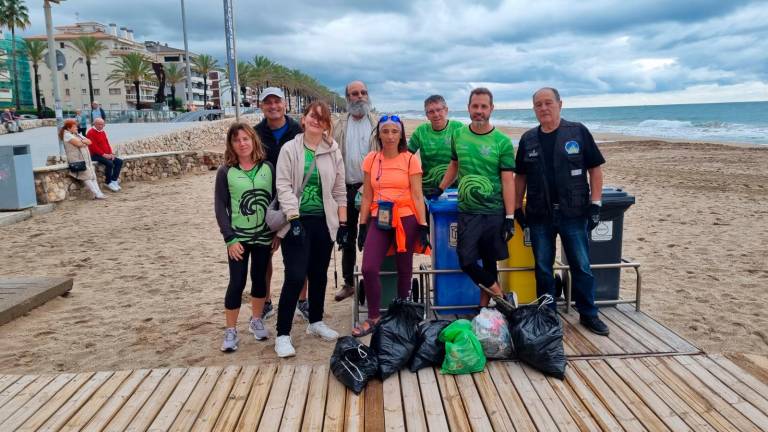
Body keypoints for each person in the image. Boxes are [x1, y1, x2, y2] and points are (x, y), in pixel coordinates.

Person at [514, 87, 609, 336]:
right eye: (538, 105)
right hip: (539, 215)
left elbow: (595, 169)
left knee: (581, 265)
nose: (543, 108)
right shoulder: (528, 139)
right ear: (534, 109)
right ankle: (547, 315)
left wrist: (596, 204)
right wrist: (515, 208)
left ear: (560, 104)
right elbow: (520, 175)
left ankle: (588, 314)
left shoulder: (577, 132)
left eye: (548, 103)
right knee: (543, 267)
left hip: (574, 214)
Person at [274, 101, 347, 358]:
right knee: (295, 276)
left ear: (327, 125)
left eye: (322, 118)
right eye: (312, 116)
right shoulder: (290, 149)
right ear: (303, 119)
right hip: (297, 221)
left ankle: (316, 321)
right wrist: (293, 219)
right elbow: (283, 186)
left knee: (319, 274)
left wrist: (344, 224)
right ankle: (282, 334)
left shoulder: (333, 151)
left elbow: (339, 191)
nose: (316, 121)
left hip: (323, 221)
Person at [437, 88, 516, 308]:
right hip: (468, 211)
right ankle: (501, 297)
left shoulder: (502, 142)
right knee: (467, 260)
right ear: (469, 107)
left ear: (491, 108)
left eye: (483, 106)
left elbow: (508, 180)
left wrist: (510, 216)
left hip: (494, 212)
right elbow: (454, 165)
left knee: (490, 262)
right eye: (475, 106)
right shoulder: (458, 135)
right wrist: (440, 187)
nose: (479, 111)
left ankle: (484, 309)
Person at [352, 114, 430, 337]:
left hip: (407, 219)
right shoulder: (371, 159)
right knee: (369, 267)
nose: (390, 136)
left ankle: (401, 316)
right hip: (380, 218)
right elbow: (367, 196)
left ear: (401, 134)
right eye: (385, 131)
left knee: (404, 269)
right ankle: (374, 317)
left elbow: (417, 195)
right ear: (379, 134)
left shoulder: (410, 160)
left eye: (394, 131)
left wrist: (423, 226)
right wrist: (363, 224)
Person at [215, 122, 277, 352]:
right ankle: (231, 330)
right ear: (231, 144)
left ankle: (256, 319)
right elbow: (220, 207)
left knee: (259, 279)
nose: (242, 143)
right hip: (238, 238)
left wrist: (277, 233)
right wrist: (229, 238)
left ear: (254, 141)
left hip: (263, 236)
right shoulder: (226, 171)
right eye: (237, 140)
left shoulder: (267, 167)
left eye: (246, 139)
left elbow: (275, 201)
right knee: (237, 281)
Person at [253, 87, 306, 321]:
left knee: (297, 255)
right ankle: (266, 302)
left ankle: (303, 300)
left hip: (295, 199)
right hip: (264, 201)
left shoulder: (298, 131)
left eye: (277, 102)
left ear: (285, 104)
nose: (273, 106)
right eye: (268, 103)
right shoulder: (255, 133)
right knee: (264, 257)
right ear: (261, 106)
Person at [331, 80, 378, 302]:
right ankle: (349, 283)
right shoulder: (339, 124)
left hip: (373, 191)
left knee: (372, 237)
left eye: (363, 92)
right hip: (346, 190)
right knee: (347, 238)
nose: (359, 96)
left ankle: (371, 282)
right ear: (347, 98)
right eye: (354, 93)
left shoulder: (377, 123)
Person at [408, 95, 464, 200]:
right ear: (427, 115)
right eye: (431, 112)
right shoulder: (421, 131)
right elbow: (406, 156)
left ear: (446, 110)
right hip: (427, 188)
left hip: (455, 188)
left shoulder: (458, 128)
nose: (436, 114)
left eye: (439, 110)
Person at [60, 118, 105, 199]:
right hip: (78, 160)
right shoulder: (67, 135)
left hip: (86, 160)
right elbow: (79, 144)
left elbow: (89, 142)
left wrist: (83, 142)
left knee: (92, 176)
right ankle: (97, 193)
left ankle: (98, 193)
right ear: (69, 128)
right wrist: (84, 142)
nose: (77, 128)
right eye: (75, 127)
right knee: (86, 177)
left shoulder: (77, 134)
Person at [86, 118, 123, 192]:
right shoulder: (91, 132)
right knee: (110, 163)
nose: (101, 126)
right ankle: (108, 182)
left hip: (105, 154)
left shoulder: (102, 132)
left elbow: (107, 143)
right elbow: (93, 147)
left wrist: (110, 153)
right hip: (95, 155)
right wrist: (104, 154)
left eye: (102, 124)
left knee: (119, 161)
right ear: (94, 124)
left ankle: (114, 180)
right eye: (99, 124)